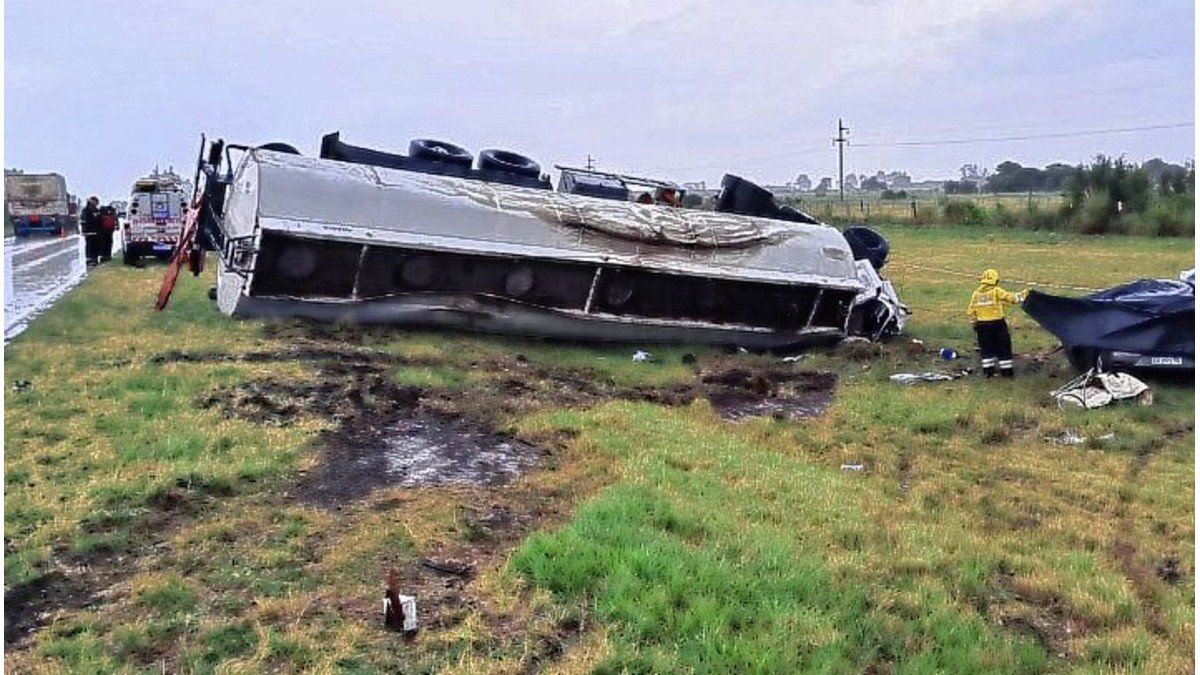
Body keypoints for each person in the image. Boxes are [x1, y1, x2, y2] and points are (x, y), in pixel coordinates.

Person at [967, 269, 1029, 378]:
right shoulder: (996, 291)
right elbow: (1010, 298)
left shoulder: (976, 294)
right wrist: (1023, 295)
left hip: (981, 325)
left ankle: (988, 372)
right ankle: (1007, 372)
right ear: (995, 280)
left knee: (986, 348)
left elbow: (971, 311)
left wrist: (974, 324)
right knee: (1003, 347)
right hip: (997, 324)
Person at [80, 196, 101, 265]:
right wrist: (83, 230)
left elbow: (99, 220)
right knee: (90, 245)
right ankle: (90, 259)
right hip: (89, 231)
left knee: (93, 245)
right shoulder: (87, 210)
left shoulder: (95, 210)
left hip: (94, 231)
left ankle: (93, 259)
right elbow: (83, 220)